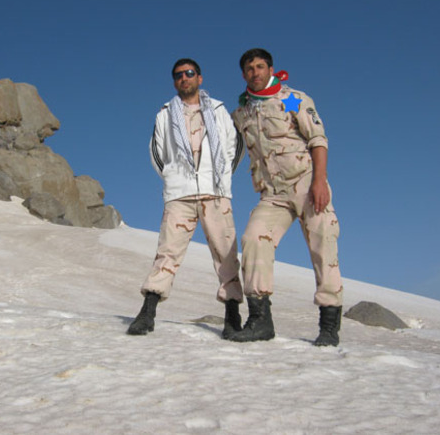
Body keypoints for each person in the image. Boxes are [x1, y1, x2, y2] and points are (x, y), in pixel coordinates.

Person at [229, 48, 343, 346]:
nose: (255, 72)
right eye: (249, 68)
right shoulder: (241, 112)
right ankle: (260, 321)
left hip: (306, 185)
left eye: (260, 66)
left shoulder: (292, 98)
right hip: (272, 194)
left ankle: (329, 327)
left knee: (323, 245)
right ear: (243, 74)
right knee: (254, 239)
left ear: (271, 69)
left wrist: (320, 181)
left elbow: (318, 139)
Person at [127, 58, 245, 339]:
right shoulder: (165, 114)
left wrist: (221, 175)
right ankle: (148, 311)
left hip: (215, 192)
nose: (184, 78)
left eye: (190, 73)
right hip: (180, 194)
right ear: (174, 82)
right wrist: (172, 177)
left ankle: (232, 315)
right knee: (167, 251)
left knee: (226, 253)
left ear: (199, 78)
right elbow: (157, 152)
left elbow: (234, 145)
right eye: (179, 75)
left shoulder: (218, 109)